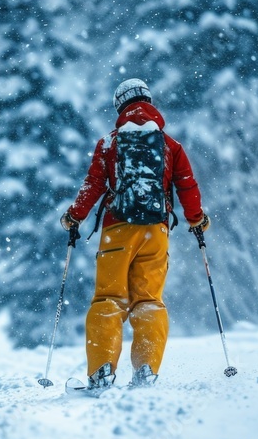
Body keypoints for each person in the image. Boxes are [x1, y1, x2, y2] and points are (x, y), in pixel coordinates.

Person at [60, 78, 209, 390]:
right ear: (149, 102)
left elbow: (92, 186)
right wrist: (197, 221)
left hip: (117, 229)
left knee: (108, 300)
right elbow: (187, 186)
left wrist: (74, 217)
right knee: (149, 301)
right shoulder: (170, 146)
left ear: (120, 106)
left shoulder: (109, 144)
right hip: (156, 231)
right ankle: (146, 370)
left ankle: (101, 371)